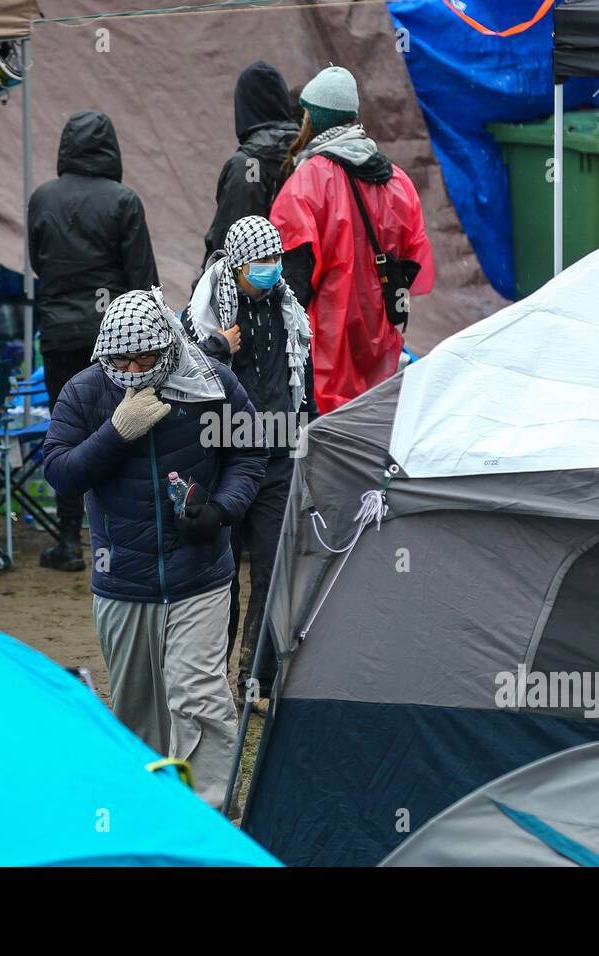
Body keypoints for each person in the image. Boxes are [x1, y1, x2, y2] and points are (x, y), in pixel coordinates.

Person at [42, 288, 267, 808]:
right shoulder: (85, 392)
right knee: (138, 710)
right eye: (121, 358)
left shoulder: (210, 382)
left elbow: (252, 449)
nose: (133, 368)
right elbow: (60, 474)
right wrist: (116, 432)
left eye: (146, 357)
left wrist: (221, 510)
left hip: (201, 575)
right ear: (105, 351)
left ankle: (211, 818)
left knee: (199, 696)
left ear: (169, 346)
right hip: (123, 580)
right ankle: (147, 812)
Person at [181, 215, 314, 707]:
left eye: (276, 258)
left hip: (277, 453)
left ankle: (254, 678)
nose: (272, 268)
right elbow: (181, 371)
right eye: (262, 261)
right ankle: (213, 679)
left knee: (271, 568)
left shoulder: (288, 310)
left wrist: (309, 428)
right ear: (237, 265)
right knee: (222, 574)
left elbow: (302, 373)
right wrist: (218, 347)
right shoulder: (203, 312)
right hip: (225, 459)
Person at [28, 110, 160, 572]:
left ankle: (68, 542)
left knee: (65, 433)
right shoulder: (124, 201)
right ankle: (122, 538)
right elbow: (145, 282)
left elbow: (38, 264)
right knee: (123, 429)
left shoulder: (41, 198)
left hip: (59, 336)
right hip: (118, 343)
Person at [270, 65, 434, 413]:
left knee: (326, 440)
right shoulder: (398, 181)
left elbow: (291, 277)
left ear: (314, 119)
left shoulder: (307, 183)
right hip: (380, 342)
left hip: (327, 344)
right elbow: (412, 259)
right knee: (369, 434)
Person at [200, 61, 300, 270]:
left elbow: (228, 243)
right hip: (305, 289)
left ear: (244, 107)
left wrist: (203, 293)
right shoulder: (310, 157)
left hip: (253, 293)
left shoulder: (246, 166)